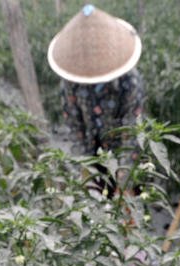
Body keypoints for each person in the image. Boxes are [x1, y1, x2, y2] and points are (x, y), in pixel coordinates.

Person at [47, 5, 145, 165]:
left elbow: (132, 132)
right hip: (93, 149)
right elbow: (74, 125)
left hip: (124, 152)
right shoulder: (71, 82)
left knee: (132, 183)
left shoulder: (129, 81)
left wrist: (124, 181)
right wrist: (84, 168)